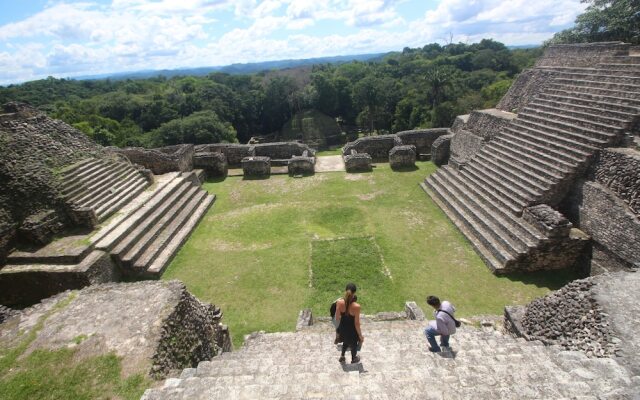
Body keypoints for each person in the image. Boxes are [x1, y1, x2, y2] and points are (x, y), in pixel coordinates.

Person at [335, 283, 364, 363]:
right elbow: (357, 323)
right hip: (352, 330)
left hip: (343, 328)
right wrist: (360, 335)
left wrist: (338, 330)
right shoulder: (356, 306)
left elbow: (337, 318)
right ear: (354, 293)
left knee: (345, 341)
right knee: (353, 345)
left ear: (345, 290)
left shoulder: (339, 302)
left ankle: (342, 356)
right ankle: (354, 358)